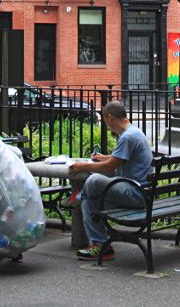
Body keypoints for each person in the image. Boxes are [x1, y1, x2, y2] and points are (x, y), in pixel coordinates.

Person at [68, 100, 153, 261]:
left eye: (106, 122)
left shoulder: (128, 137)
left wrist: (82, 166)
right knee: (90, 201)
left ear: (110, 117)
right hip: (139, 191)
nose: (107, 127)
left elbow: (110, 167)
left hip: (135, 192)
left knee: (93, 180)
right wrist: (103, 157)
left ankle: (77, 198)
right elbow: (117, 160)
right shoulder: (133, 132)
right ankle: (101, 246)